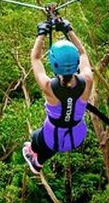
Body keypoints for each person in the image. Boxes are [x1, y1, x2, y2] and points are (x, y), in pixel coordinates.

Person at [22, 17, 94, 174]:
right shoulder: (87, 80)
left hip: (52, 137)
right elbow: (83, 53)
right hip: (77, 135)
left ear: (54, 64)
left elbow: (35, 58)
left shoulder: (49, 87)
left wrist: (41, 33)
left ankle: (36, 159)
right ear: (75, 63)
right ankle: (38, 161)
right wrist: (69, 30)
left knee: (35, 138)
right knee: (53, 141)